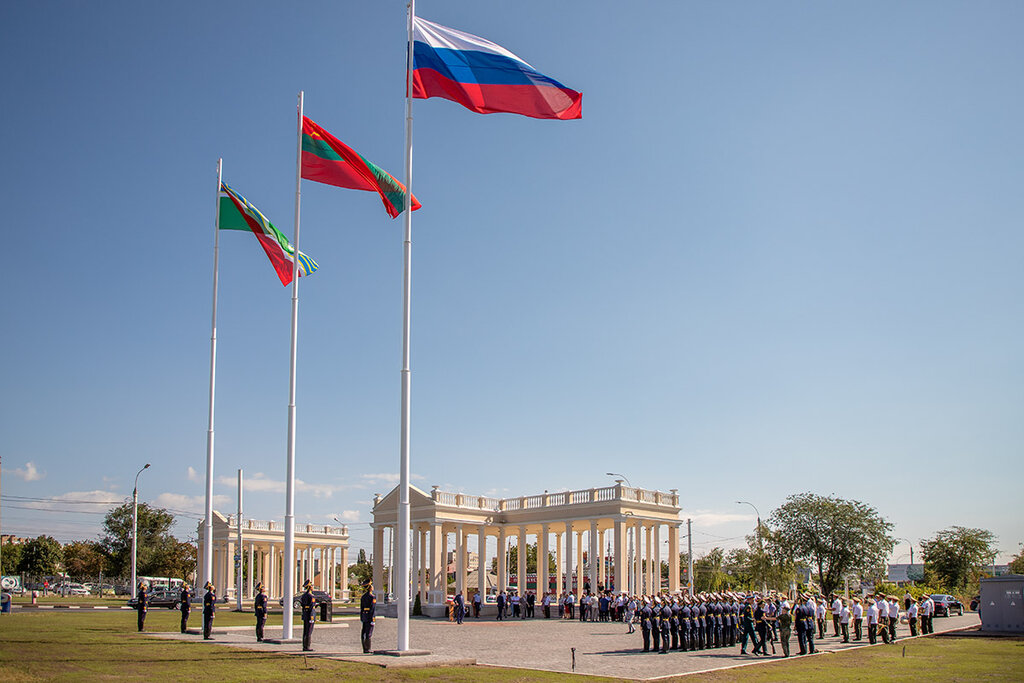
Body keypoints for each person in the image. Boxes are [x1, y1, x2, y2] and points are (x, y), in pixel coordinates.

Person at [300, 579, 316, 652]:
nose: (313, 587)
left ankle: (304, 645)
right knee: (309, 631)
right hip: (310, 615)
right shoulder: (311, 596)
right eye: (312, 586)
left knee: (305, 631)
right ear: (309, 587)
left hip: (305, 614)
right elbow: (312, 606)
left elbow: (303, 605)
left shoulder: (304, 595)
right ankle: (307, 646)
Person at [360, 578, 376, 653]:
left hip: (364, 615)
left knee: (364, 632)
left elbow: (361, 608)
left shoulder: (363, 597)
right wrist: (373, 618)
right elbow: (372, 608)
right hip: (370, 616)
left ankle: (364, 648)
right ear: (370, 588)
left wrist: (362, 616)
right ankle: (368, 648)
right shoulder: (372, 597)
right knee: (369, 633)